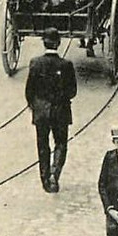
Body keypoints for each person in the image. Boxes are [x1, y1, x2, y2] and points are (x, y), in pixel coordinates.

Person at [25, 27, 77, 193]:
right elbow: (73, 91)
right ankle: (55, 173)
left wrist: (36, 106)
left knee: (42, 145)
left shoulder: (35, 63)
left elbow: (29, 91)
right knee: (61, 143)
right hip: (61, 111)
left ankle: (45, 179)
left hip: (41, 112)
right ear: (59, 43)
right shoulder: (66, 65)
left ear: (44, 42)